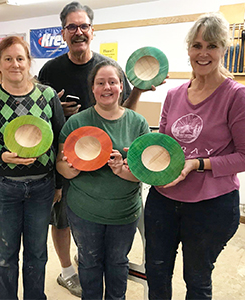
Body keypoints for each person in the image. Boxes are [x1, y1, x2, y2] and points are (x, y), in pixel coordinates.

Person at [38, 2, 153, 296]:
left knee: (113, 261)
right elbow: (40, 116)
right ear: (63, 32)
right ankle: (67, 271)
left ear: (92, 30)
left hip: (117, 196)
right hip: (68, 159)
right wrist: (56, 111)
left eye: (84, 26)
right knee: (64, 224)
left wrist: (137, 90)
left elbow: (125, 112)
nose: (79, 32)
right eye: (72, 27)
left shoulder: (107, 68)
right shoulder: (50, 69)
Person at [144, 12, 245, 300]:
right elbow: (166, 145)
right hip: (164, 199)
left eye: (211, 45)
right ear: (188, 50)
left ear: (224, 49)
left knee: (196, 279)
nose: (203, 53)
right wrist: (142, 155)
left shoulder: (236, 96)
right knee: (156, 273)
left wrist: (197, 164)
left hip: (210, 205)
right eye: (197, 46)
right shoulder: (173, 94)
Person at [0, 36, 65, 300]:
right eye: (7, 59)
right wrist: (1, 157)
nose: (15, 64)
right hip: (3, 187)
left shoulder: (47, 95)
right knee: (6, 256)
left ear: (29, 62)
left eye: (20, 58)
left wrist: (58, 184)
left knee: (37, 253)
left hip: (42, 186)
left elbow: (61, 141)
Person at [56, 59, 150, 299]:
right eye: (100, 83)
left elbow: (144, 171)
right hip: (85, 210)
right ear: (93, 88)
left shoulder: (137, 123)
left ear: (121, 86)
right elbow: (60, 164)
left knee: (118, 263)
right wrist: (72, 169)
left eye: (112, 82)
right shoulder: (76, 123)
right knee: (88, 262)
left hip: (124, 211)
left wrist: (122, 170)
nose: (106, 87)